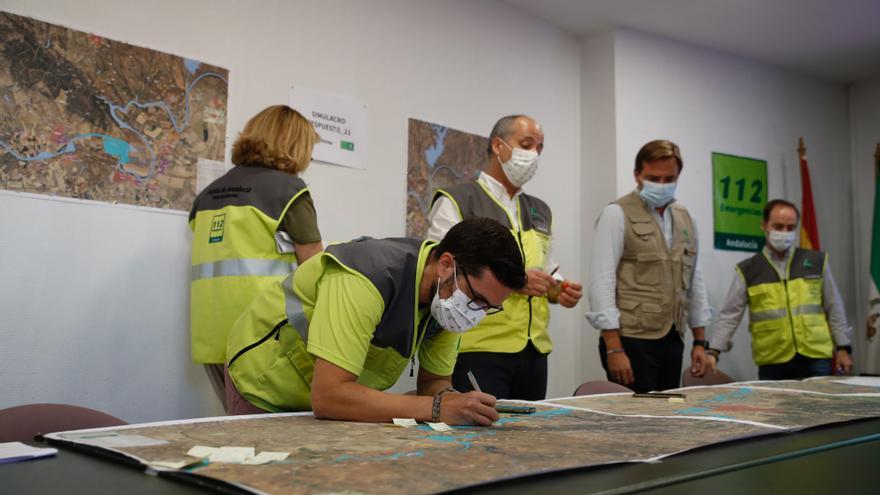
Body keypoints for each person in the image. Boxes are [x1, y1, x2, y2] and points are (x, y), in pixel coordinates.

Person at [225, 218, 527, 425]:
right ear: (447, 264)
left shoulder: (447, 301)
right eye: (476, 300)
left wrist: (460, 404)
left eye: (489, 307)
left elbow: (434, 383)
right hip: (268, 382)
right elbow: (329, 397)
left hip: (332, 399)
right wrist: (436, 408)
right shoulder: (366, 277)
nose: (476, 313)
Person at [426, 114, 583, 401]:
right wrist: (518, 283)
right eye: (526, 144)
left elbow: (545, 265)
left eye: (540, 147)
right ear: (498, 146)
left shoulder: (540, 210)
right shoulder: (457, 200)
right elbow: (441, 270)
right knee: (473, 438)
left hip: (533, 349)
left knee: (527, 438)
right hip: (478, 345)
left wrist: (557, 288)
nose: (534, 153)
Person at [189, 105, 323, 408]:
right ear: (293, 144)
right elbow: (316, 267)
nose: (309, 158)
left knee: (238, 423)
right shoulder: (288, 190)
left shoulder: (207, 195)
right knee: (272, 431)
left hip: (212, 334)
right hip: (261, 334)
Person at [586, 139, 712, 393]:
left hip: (672, 338)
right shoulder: (616, 213)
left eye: (669, 179)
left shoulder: (686, 218)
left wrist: (700, 341)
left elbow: (694, 282)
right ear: (637, 175)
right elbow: (602, 281)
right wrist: (614, 348)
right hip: (631, 340)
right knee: (635, 424)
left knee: (665, 421)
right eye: (654, 178)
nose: (662, 185)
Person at [706, 199, 854, 379]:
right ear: (764, 226)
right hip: (773, 360)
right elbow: (730, 315)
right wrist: (713, 351)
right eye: (778, 226)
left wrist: (843, 348)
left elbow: (834, 308)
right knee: (777, 408)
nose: (785, 233)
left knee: (819, 407)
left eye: (790, 228)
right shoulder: (749, 269)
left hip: (815, 357)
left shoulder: (816, 262)